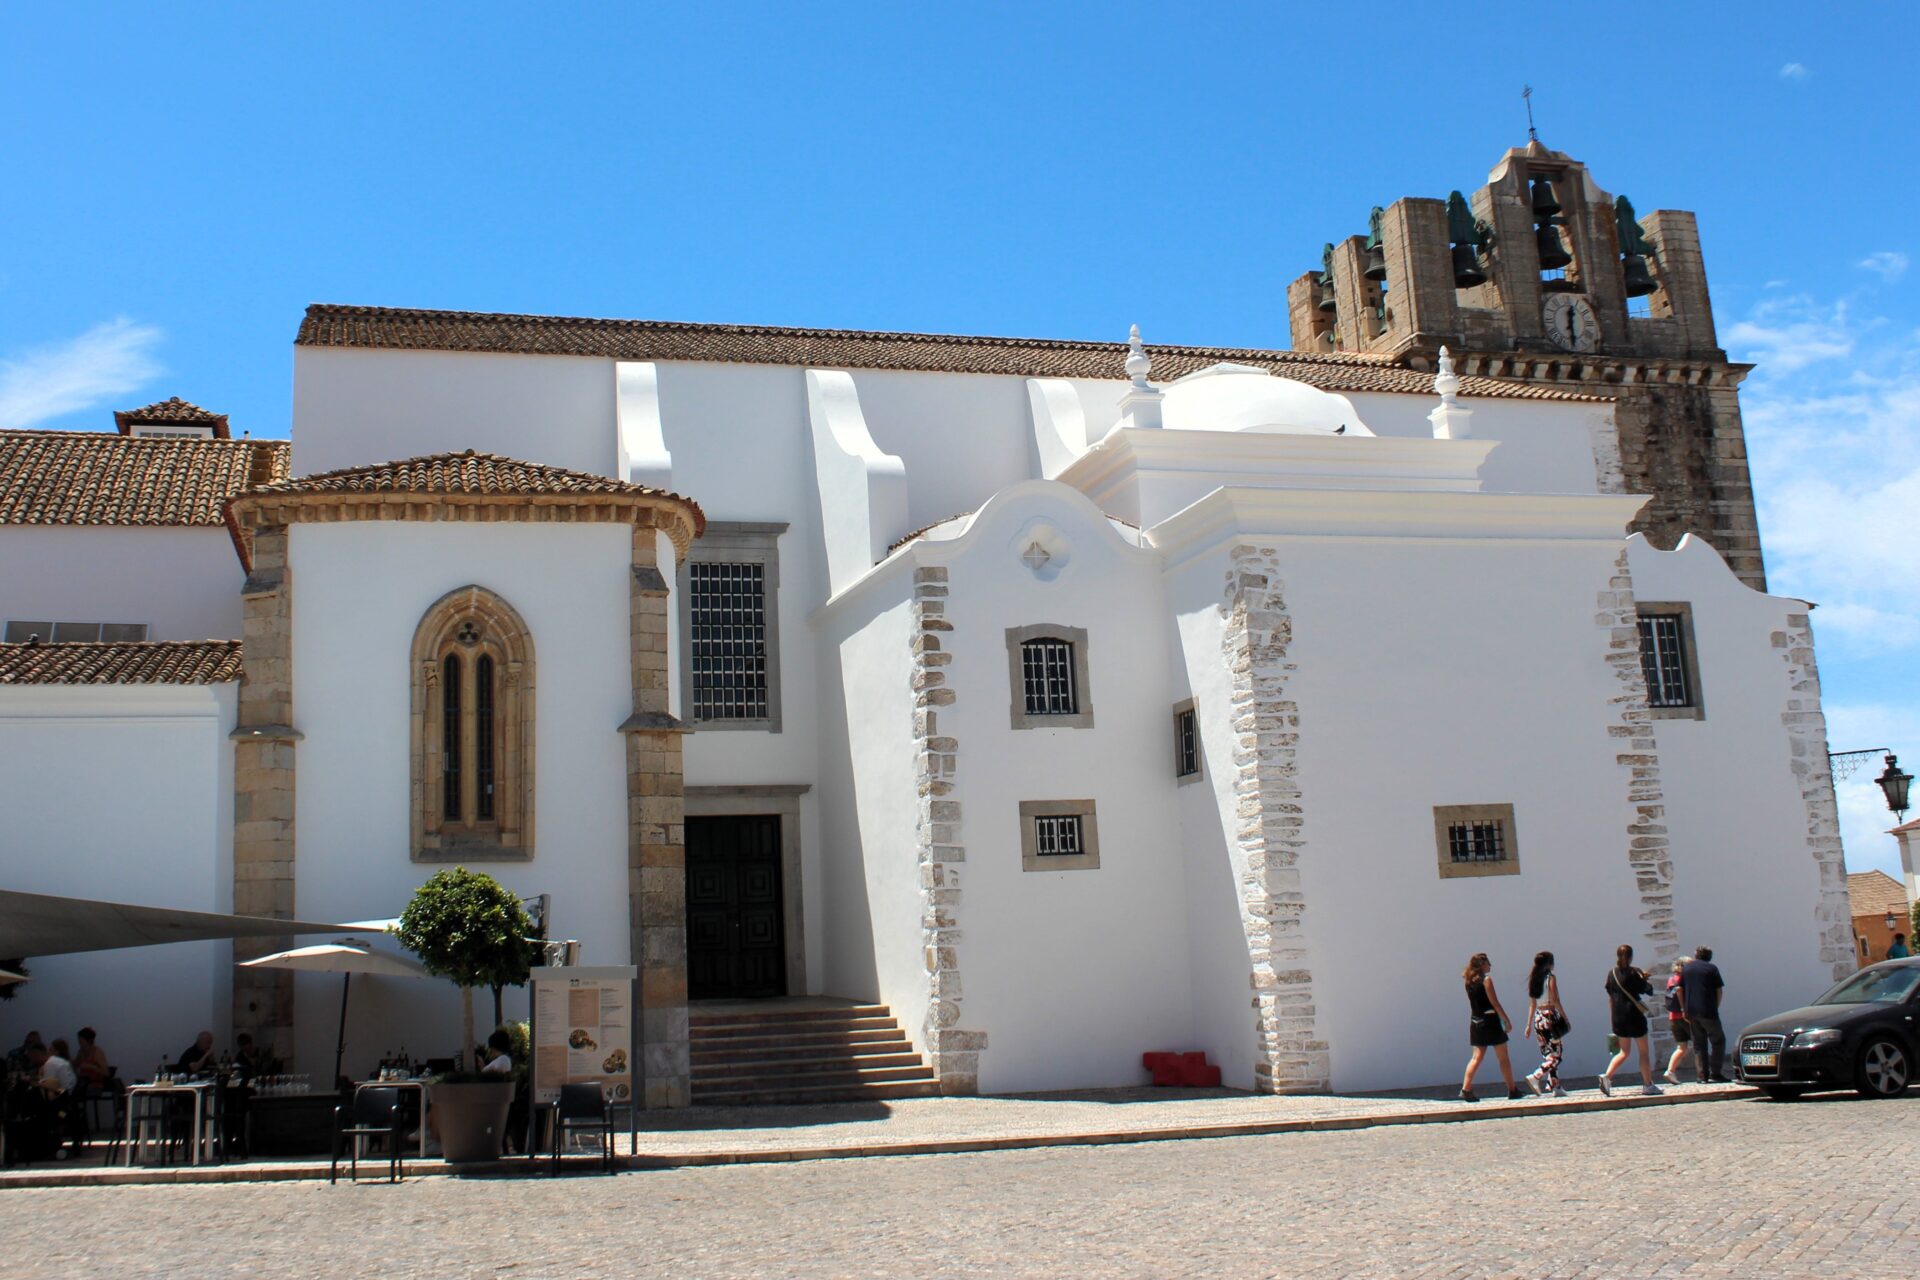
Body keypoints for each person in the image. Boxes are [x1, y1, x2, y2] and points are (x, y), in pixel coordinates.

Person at [1598, 944, 1660, 1096]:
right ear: (1631, 957)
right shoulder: (1634, 972)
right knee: (1643, 1052)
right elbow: (1647, 990)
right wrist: (1645, 979)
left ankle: (1607, 1076)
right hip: (1634, 1015)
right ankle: (1648, 1085)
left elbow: (1610, 994)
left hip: (1618, 1016)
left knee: (1624, 1052)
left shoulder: (1611, 973)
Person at [1459, 953, 1521, 1102]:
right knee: (1503, 1057)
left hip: (1476, 1021)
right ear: (1482, 965)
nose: (1490, 965)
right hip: (1490, 1021)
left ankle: (1466, 1089)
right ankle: (1512, 1089)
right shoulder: (1486, 980)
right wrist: (1506, 1020)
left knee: (1476, 1057)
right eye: (1488, 963)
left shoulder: (1469, 982)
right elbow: (1495, 1002)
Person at [1524, 951, 1569, 1097]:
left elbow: (1532, 1004)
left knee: (1548, 1053)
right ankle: (1536, 1076)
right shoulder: (1550, 978)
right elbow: (1556, 999)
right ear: (1550, 963)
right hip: (1550, 1017)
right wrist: (1564, 1017)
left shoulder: (1534, 980)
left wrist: (1529, 1024)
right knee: (1557, 1054)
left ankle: (1555, 1086)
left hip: (1538, 1017)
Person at [1680, 946, 1728, 1083]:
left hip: (1691, 1011)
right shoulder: (1711, 968)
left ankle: (1702, 1075)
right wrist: (1716, 1006)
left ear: (1696, 955)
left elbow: (1679, 988)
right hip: (1708, 1010)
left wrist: (1684, 1009)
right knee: (1718, 1040)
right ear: (1709, 957)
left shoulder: (1687, 969)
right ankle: (1716, 1073)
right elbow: (1719, 990)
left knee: (1699, 1044)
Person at [1662, 959, 1691, 1085]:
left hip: (1673, 1017)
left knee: (1681, 1047)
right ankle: (1703, 1074)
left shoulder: (1671, 979)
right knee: (1698, 1045)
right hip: (1684, 1017)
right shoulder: (1682, 979)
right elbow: (1680, 991)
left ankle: (1670, 1071)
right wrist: (1684, 1009)